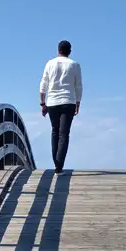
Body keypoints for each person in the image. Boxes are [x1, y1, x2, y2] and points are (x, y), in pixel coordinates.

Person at [39, 40, 83, 175]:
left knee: (55, 132)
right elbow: (78, 86)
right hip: (68, 102)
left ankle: (56, 163)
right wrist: (78, 103)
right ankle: (59, 166)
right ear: (69, 51)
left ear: (58, 50)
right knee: (64, 134)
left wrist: (42, 103)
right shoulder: (74, 65)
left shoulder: (50, 64)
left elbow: (43, 84)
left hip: (52, 102)